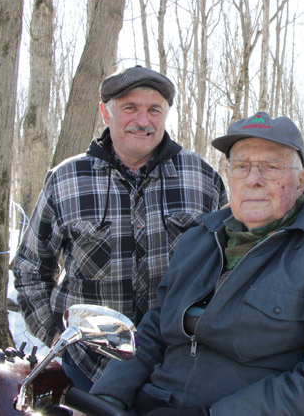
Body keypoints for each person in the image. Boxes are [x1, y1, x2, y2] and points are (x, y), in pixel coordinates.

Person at [89, 111, 304, 415]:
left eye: (271, 167)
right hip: (153, 401)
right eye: (241, 166)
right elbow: (155, 328)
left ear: (302, 181)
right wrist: (109, 395)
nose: (253, 180)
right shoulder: (200, 237)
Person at [12, 66, 227, 391]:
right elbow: (30, 268)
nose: (143, 120)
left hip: (176, 367)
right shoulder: (66, 180)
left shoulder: (202, 178)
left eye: (154, 109)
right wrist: (55, 335)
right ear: (106, 113)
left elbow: (228, 265)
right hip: (88, 367)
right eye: (130, 108)